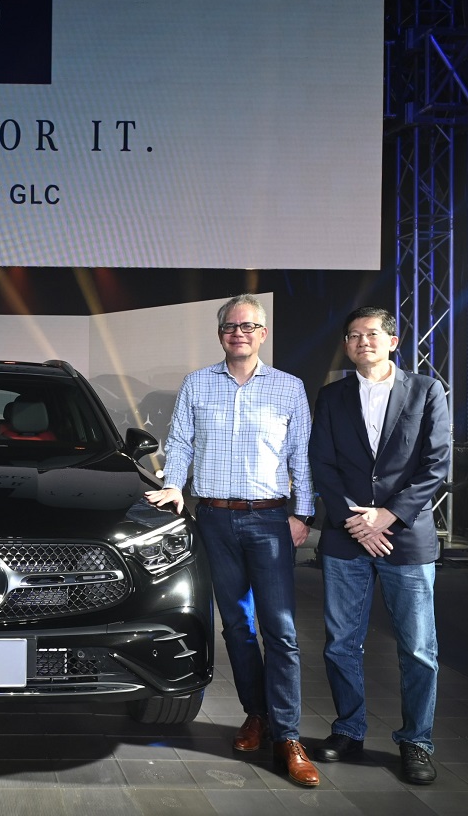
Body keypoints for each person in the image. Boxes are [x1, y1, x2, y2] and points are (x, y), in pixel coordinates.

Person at [146, 293, 318, 787]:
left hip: (270, 521)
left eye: (248, 326)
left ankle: (288, 736)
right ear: (220, 333)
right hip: (214, 520)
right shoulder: (197, 383)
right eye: (230, 326)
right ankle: (256, 716)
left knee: (280, 631)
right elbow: (181, 442)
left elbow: (301, 455)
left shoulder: (288, 387)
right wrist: (173, 486)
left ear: (263, 333)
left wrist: (303, 513)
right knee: (237, 628)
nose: (238, 333)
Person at [308, 306, 450, 785]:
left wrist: (388, 516)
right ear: (346, 345)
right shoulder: (332, 395)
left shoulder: (427, 390)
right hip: (346, 537)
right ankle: (349, 729)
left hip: (405, 539)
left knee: (419, 649)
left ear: (393, 341)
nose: (362, 341)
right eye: (353, 335)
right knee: (341, 644)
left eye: (371, 334)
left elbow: (436, 463)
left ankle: (417, 741)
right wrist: (355, 520)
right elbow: (321, 463)